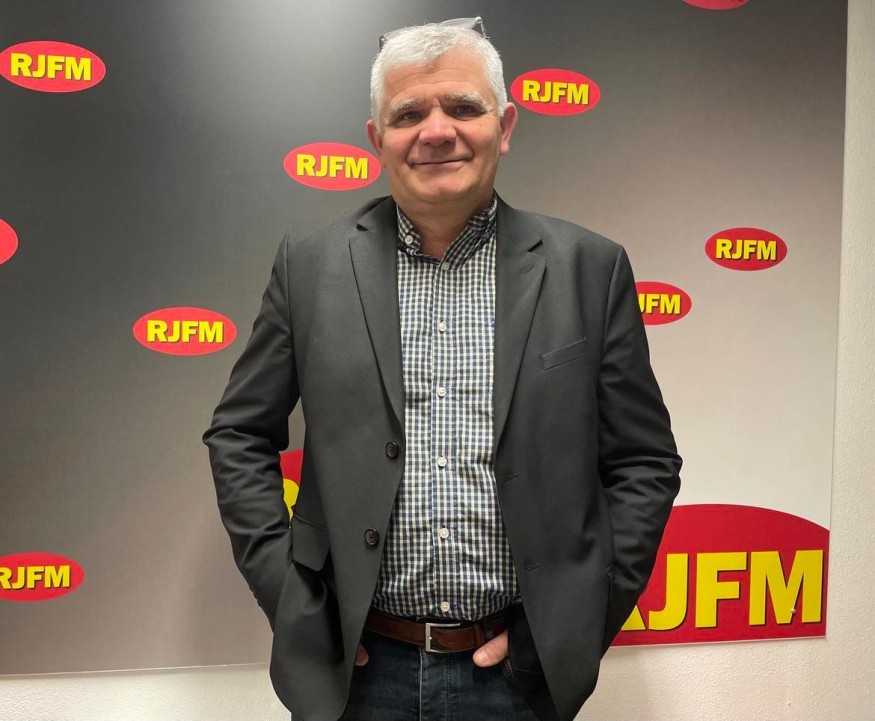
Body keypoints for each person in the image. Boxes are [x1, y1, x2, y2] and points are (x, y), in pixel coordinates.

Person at [204, 18, 681, 721]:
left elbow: (643, 460)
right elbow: (239, 434)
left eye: (462, 107)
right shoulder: (308, 266)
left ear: (504, 125)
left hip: (518, 680)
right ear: (377, 138)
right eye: (408, 115)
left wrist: (576, 621)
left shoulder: (590, 268)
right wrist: (292, 600)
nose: (436, 131)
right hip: (356, 679)